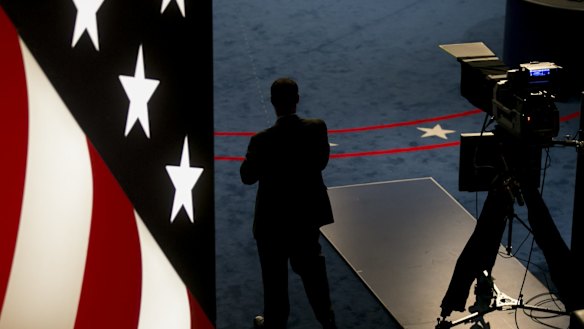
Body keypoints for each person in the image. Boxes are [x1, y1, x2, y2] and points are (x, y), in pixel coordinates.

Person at [240, 77, 337, 329]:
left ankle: (274, 323)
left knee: (274, 280)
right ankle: (327, 320)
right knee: (313, 273)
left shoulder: (260, 141)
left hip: (272, 222)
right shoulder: (317, 128)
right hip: (307, 217)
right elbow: (321, 163)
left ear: (272, 103)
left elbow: (246, 177)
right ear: (297, 99)